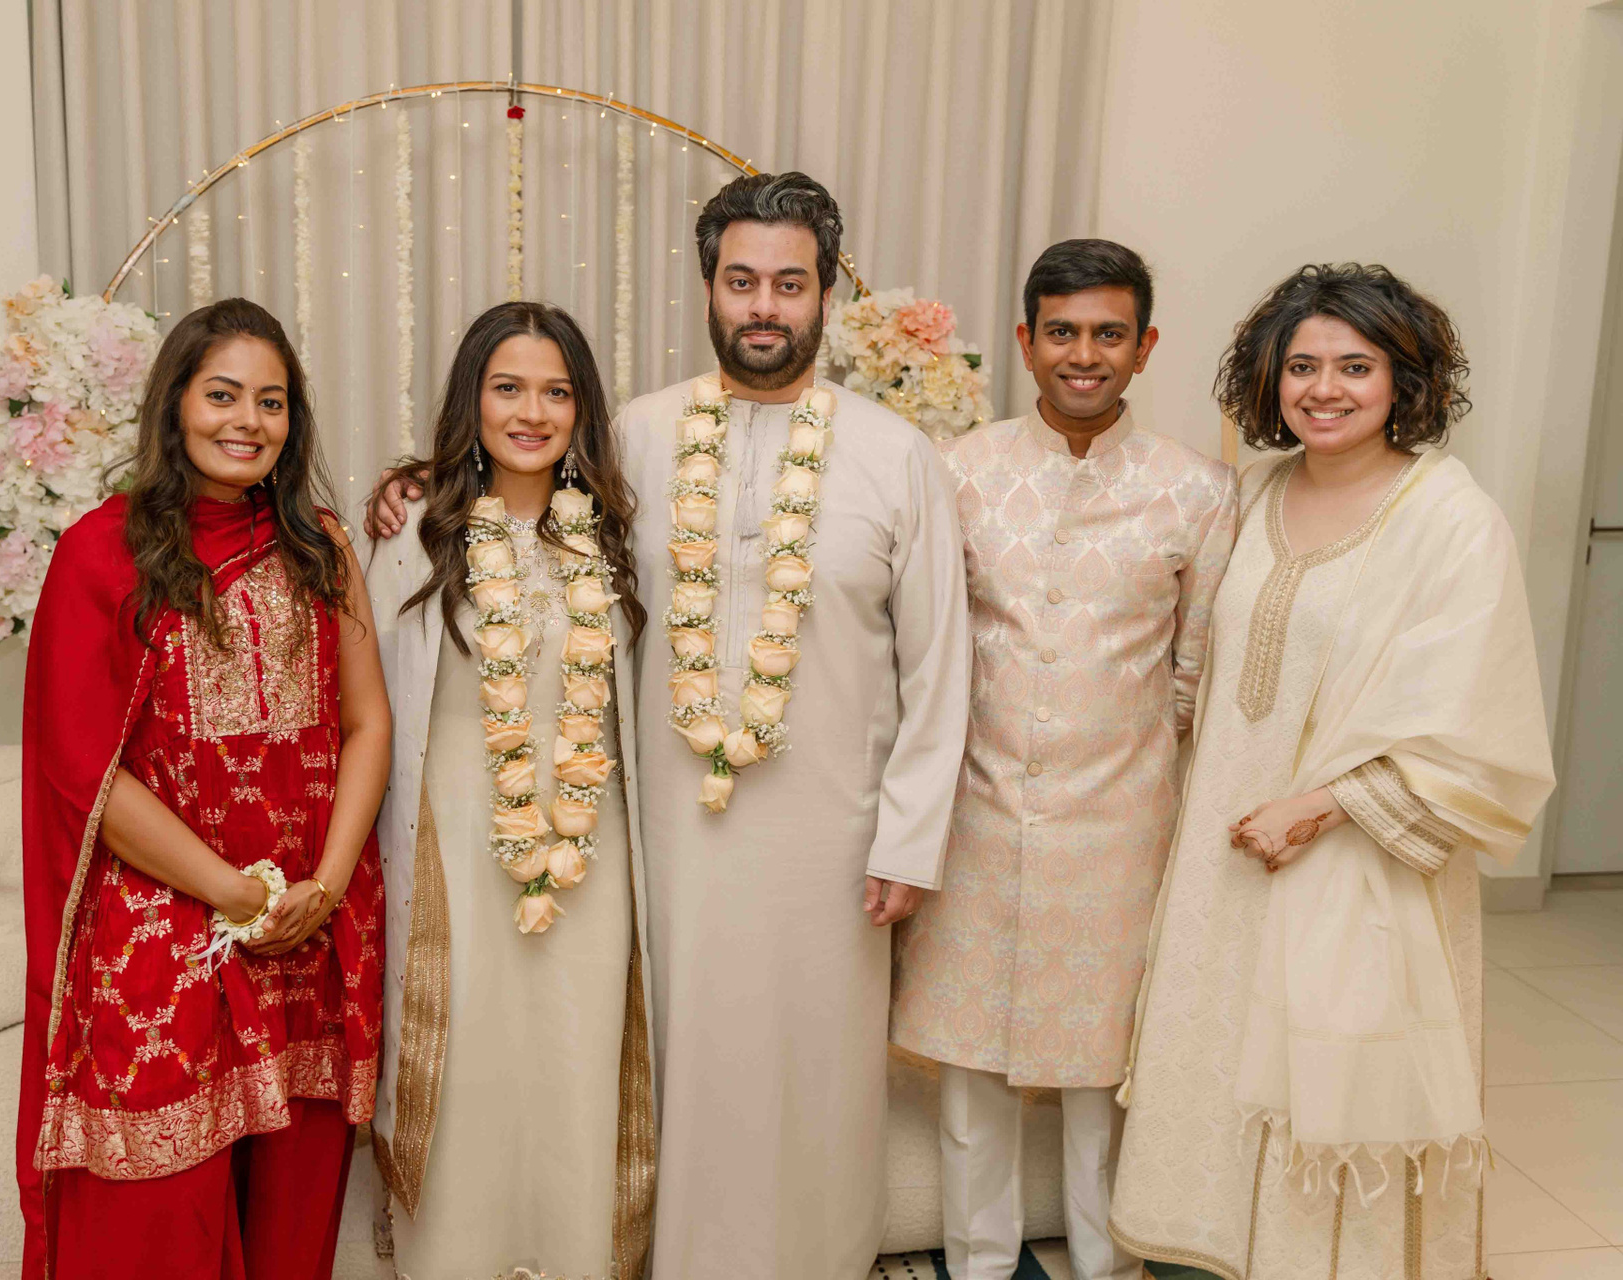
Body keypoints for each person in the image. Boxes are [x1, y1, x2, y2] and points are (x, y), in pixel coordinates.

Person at [371, 171, 968, 1280]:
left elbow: (941, 664)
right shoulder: (637, 438)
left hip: (833, 846)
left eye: (790, 283)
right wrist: (414, 482)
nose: (764, 306)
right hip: (659, 844)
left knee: (813, 1074)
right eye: (742, 280)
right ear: (707, 287)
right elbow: (513, 498)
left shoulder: (898, 457)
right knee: (669, 1063)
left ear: (826, 295)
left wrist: (909, 838)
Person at [1109, 265, 1556, 1280]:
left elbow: (1479, 721)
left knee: (1335, 1074)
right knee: (1213, 1049)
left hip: (1357, 854)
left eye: (1356, 367)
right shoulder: (1252, 493)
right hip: (1222, 846)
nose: (1325, 389)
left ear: (1405, 379)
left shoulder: (1449, 519)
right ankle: (1201, 1253)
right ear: (1270, 379)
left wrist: (1319, 807)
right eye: (1302, 365)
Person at [16, 298, 389, 1280]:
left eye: (272, 401)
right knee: (157, 1220)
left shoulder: (320, 547)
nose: (247, 421)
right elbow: (85, 773)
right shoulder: (101, 552)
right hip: (163, 926)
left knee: (293, 1211)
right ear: (175, 401)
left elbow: (367, 722)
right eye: (223, 394)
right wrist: (232, 892)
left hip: (308, 926)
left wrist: (325, 885)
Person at [890, 239, 1237, 1280]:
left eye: (1109, 334)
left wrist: (1130, 768)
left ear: (1145, 347)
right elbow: (921, 644)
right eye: (1064, 332)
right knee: (970, 1078)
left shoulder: (1198, 490)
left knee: (1101, 1080)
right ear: (1026, 340)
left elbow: (1195, 670)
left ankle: (1108, 1265)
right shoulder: (955, 471)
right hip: (976, 813)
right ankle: (979, 1264)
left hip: (1120, 828)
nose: (1084, 355)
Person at [364, 301, 656, 1280]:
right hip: (451, 836)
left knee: (576, 1053)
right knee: (467, 1058)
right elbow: (367, 707)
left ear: (583, 409)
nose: (531, 412)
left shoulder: (620, 536)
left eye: (555, 391)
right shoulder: (414, 532)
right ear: (472, 400)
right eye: (508, 388)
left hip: (591, 847)